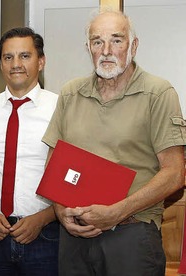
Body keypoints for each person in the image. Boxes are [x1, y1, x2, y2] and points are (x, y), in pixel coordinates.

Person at [42, 10, 185, 275]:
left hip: (131, 235)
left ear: (134, 45)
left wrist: (116, 212)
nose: (106, 50)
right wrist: (60, 212)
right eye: (97, 41)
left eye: (117, 40)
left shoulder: (158, 93)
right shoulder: (71, 93)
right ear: (88, 48)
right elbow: (53, 166)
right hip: (75, 234)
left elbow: (175, 174)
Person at [0, 27, 59, 276]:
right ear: (1, 64)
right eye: (8, 57)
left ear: (41, 61)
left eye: (25, 56)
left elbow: (74, 176)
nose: (16, 64)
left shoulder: (62, 109)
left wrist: (44, 217)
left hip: (46, 235)